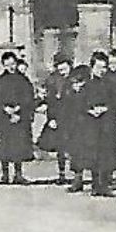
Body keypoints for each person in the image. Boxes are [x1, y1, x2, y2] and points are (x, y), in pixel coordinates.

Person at [76, 51, 116, 196]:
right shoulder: (86, 86)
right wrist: (89, 110)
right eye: (98, 67)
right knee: (94, 154)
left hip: (107, 123)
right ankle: (95, 185)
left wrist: (106, 108)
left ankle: (104, 184)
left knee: (107, 153)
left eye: (104, 67)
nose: (101, 71)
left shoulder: (112, 84)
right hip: (91, 124)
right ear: (92, 67)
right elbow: (79, 104)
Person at [0, 51, 37, 184]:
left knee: (19, 146)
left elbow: (29, 97)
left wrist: (18, 110)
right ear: (3, 65)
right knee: (5, 146)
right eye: (7, 64)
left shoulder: (23, 80)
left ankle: (18, 174)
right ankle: (5, 174)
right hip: (4, 118)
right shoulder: (0, 81)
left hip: (20, 117)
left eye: (13, 64)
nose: (11, 67)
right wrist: (6, 109)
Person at [38, 53, 74, 181]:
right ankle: (62, 173)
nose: (63, 72)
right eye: (60, 70)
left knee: (76, 146)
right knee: (60, 146)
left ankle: (77, 175)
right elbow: (50, 101)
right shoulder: (52, 80)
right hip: (59, 116)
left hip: (74, 116)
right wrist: (51, 118)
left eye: (65, 69)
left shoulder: (76, 77)